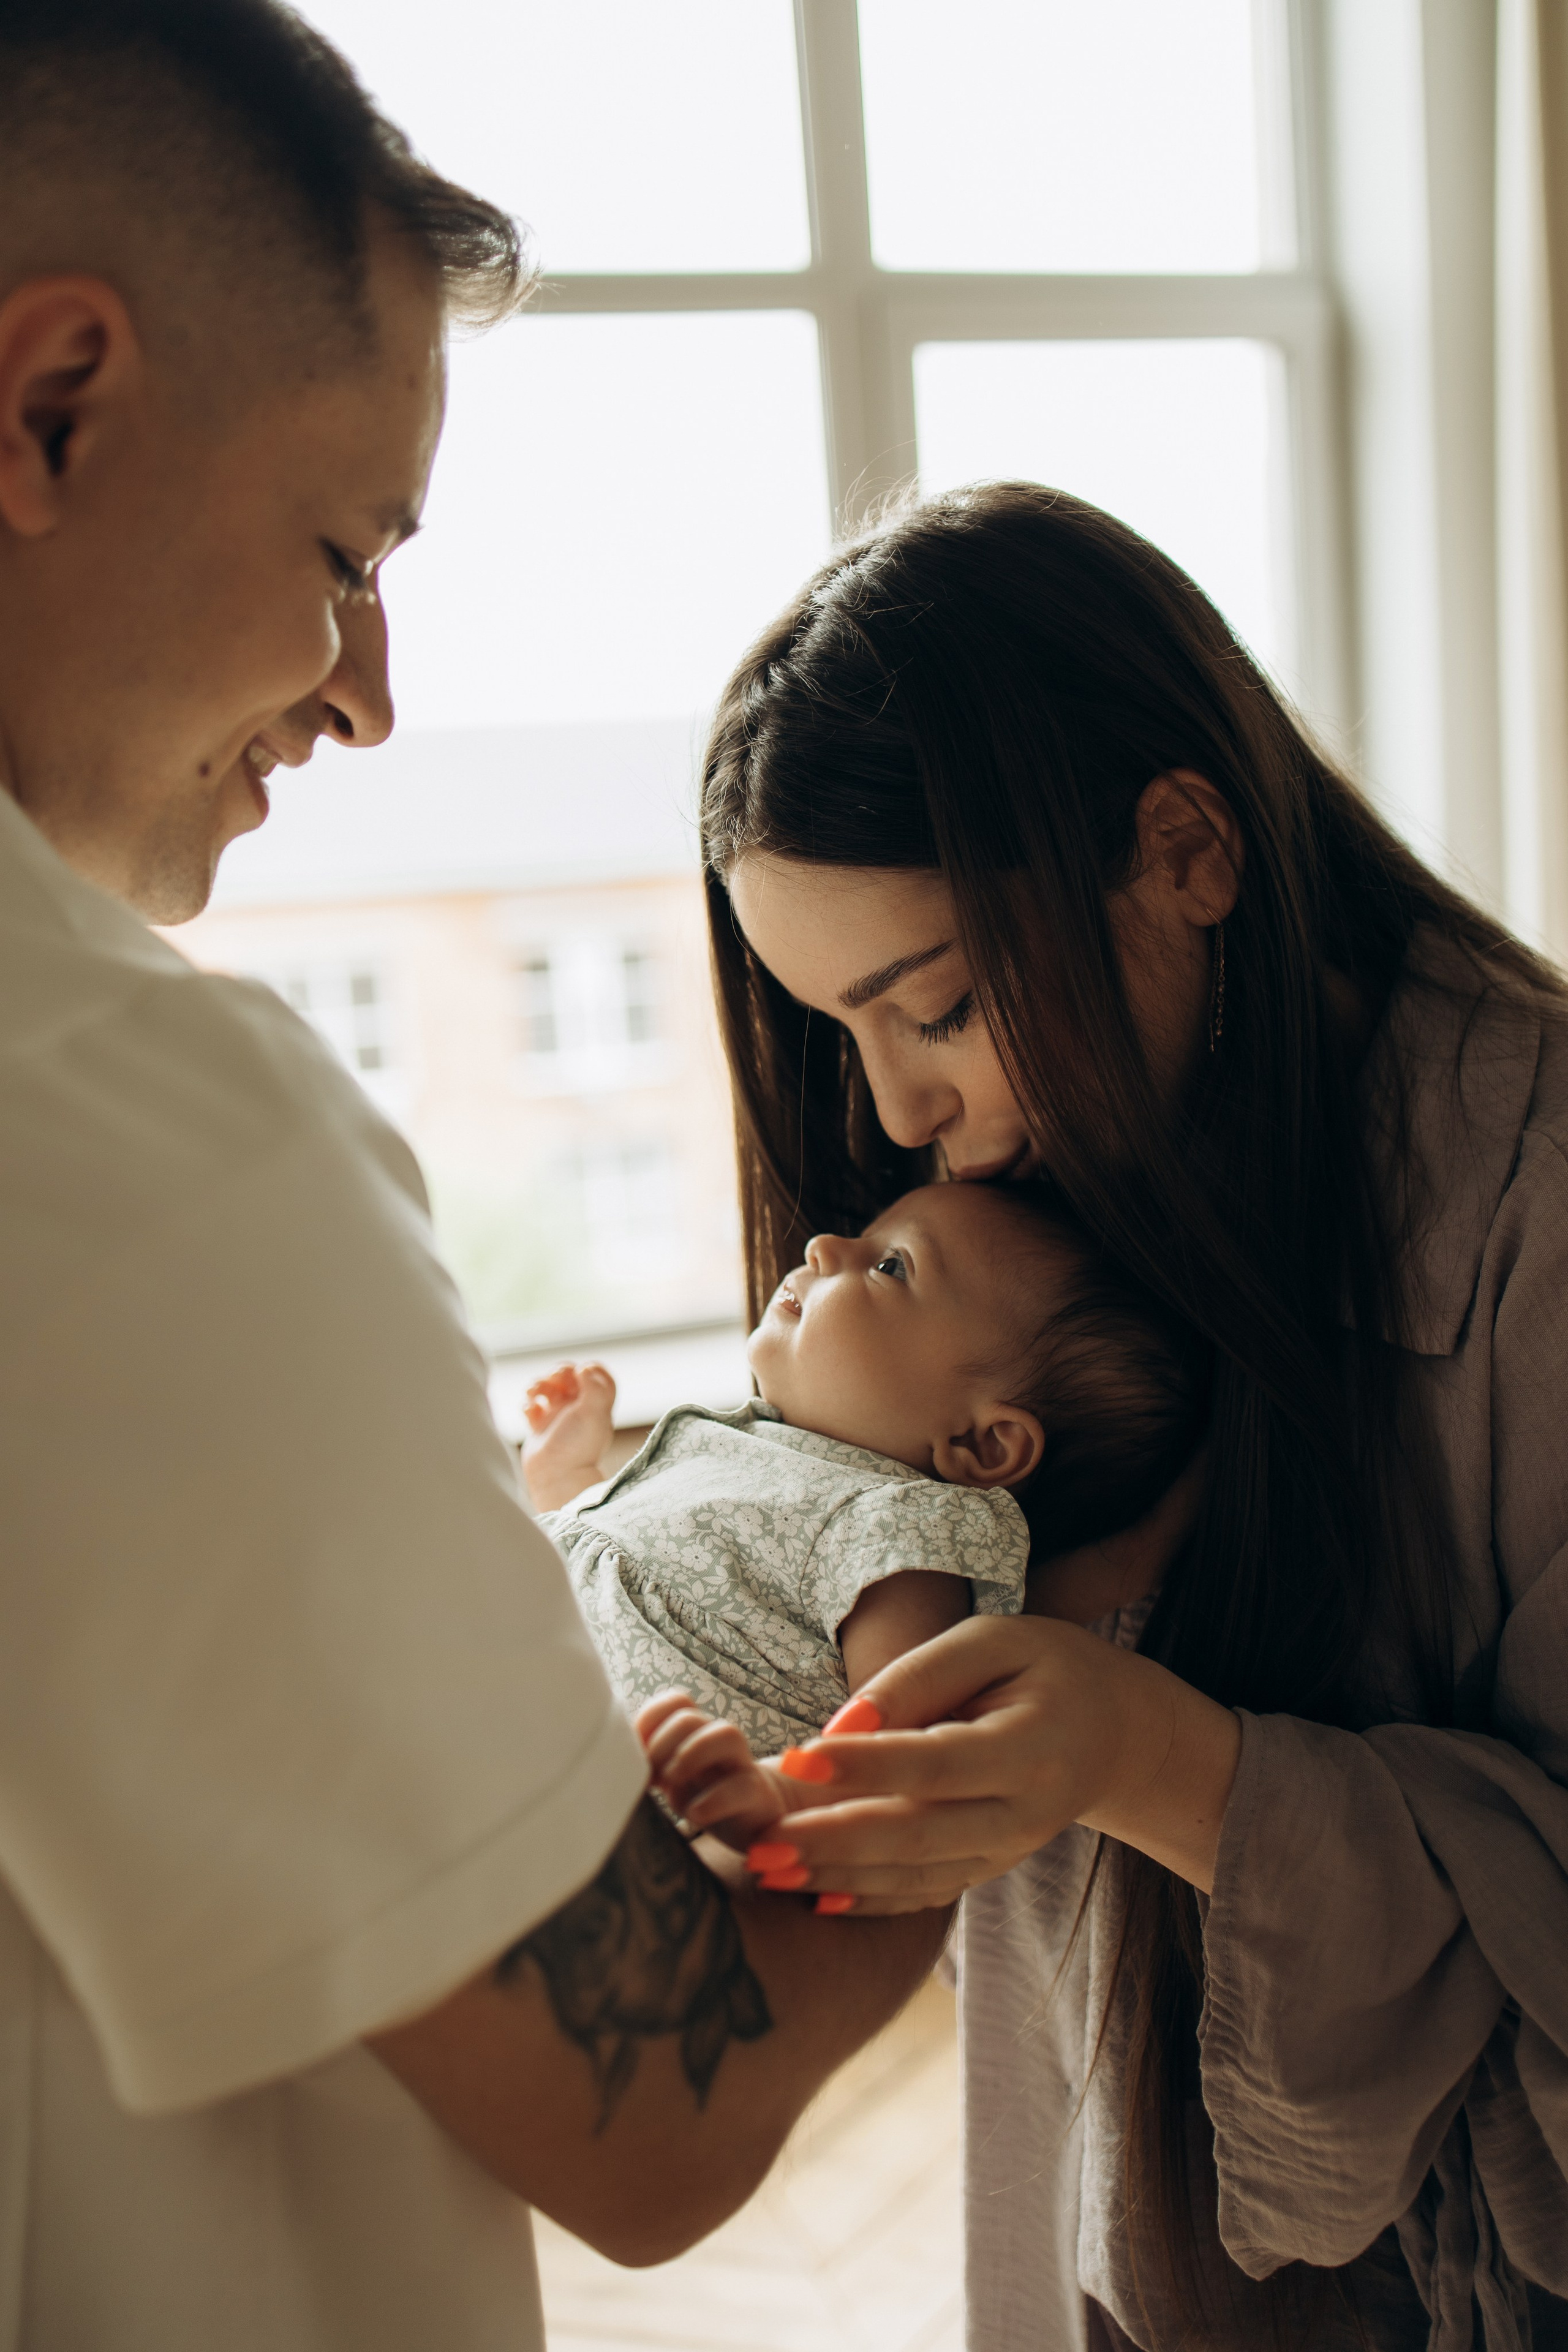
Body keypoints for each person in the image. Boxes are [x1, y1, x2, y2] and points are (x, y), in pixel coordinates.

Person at [0, 4, 948, 2344]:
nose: (368, 695)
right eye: (344, 548)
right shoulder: (139, 1139)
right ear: (49, 406)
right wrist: (967, 1791)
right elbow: (657, 2126)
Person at [694, 480, 1568, 2350]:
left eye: (926, 1006)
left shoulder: (1536, 1210)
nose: (890, 1119)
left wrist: (1163, 1757)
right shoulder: (1035, 1203)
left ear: (1185, 848)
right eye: (835, 1031)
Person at [519, 1180, 1204, 1858]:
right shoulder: (743, 1449)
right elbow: (617, 1573)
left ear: (979, 1444)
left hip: (640, 1820)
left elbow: (888, 1747)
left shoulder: (904, 1530)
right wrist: (570, 1480)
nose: (821, 1246)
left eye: (890, 1265)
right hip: (511, 1730)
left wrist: (789, 1804)